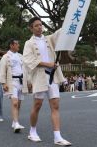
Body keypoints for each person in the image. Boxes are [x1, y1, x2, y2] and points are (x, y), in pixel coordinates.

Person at [23, 17, 71, 146]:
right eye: (36, 25)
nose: (40, 27)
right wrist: (48, 64)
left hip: (53, 76)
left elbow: (59, 33)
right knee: (37, 105)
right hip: (39, 77)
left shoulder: (48, 39)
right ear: (31, 28)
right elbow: (28, 60)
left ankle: (57, 136)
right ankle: (32, 132)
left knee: (55, 106)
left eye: (41, 25)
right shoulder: (29, 43)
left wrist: (69, 20)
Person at [0, 39, 27, 133]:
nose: (18, 45)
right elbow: (2, 70)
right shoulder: (6, 57)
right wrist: (3, 83)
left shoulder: (21, 56)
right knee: (14, 102)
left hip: (21, 81)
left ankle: (15, 122)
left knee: (19, 103)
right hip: (12, 81)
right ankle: (16, 123)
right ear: (11, 45)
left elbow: (26, 70)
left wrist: (29, 81)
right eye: (17, 44)